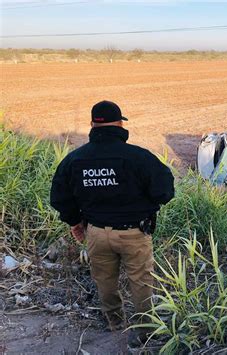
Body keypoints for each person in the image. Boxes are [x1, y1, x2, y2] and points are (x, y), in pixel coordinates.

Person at [50, 100, 174, 342]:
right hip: (135, 233)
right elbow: (165, 191)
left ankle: (115, 325)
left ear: (93, 125)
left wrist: (75, 221)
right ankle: (145, 332)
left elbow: (59, 197)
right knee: (140, 282)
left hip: (95, 233)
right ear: (119, 123)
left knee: (104, 280)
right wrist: (144, 206)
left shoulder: (75, 159)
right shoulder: (139, 157)